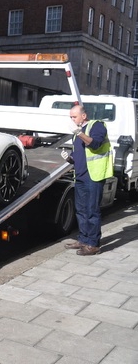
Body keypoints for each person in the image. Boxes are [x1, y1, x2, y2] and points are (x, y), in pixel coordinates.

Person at [61, 104, 113, 256]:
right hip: (81, 176)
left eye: (74, 117)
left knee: (92, 210)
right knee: (81, 210)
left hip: (94, 176)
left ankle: (93, 244)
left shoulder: (97, 126)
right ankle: (83, 239)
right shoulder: (76, 133)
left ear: (83, 116)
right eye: (70, 117)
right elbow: (81, 155)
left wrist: (79, 132)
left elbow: (95, 144)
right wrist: (70, 159)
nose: (72, 120)